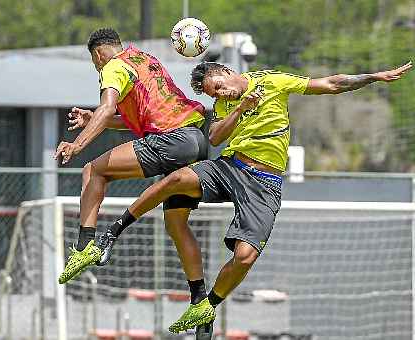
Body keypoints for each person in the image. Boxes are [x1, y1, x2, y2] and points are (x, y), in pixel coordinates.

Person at [67, 60, 413, 336]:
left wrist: (375, 77)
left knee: (245, 257)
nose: (221, 94)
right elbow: (215, 137)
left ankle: (208, 304)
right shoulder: (222, 105)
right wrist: (238, 107)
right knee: (175, 180)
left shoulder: (272, 81)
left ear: (229, 73)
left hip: (264, 183)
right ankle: (113, 232)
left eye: (219, 86)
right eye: (214, 93)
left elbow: (330, 84)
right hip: (230, 168)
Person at [54, 27, 210, 309]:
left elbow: (107, 107)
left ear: (99, 55)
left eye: (94, 63)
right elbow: (136, 118)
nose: (96, 68)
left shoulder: (112, 66)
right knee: (177, 225)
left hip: (171, 140)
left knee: (93, 170)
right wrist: (93, 117)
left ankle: (84, 246)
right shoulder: (144, 59)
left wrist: (77, 144)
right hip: (196, 141)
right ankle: (200, 299)